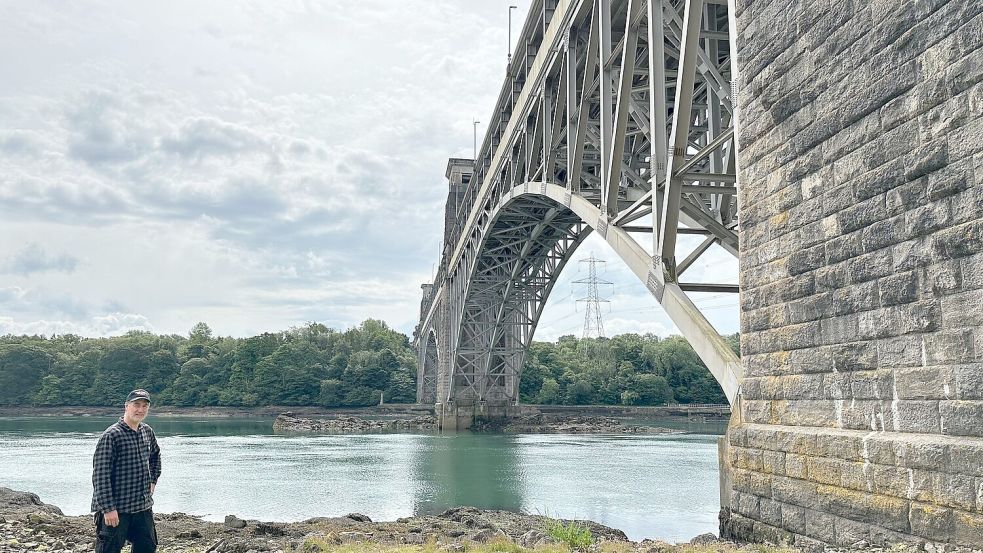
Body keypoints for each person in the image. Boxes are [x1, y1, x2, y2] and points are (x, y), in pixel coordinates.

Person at [91, 389, 162, 553]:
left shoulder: (147, 431)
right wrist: (108, 509)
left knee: (147, 548)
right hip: (117, 509)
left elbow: (155, 457)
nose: (140, 409)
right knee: (108, 550)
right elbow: (100, 476)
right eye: (136, 405)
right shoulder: (111, 435)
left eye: (144, 406)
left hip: (142, 507)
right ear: (126, 406)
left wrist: (153, 481)